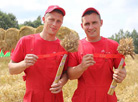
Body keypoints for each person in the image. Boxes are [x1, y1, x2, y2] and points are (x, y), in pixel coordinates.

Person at [8, 5, 68, 102]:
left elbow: (66, 73)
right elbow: (11, 69)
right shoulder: (25, 41)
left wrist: (61, 82)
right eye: (51, 19)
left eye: (58, 21)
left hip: (55, 97)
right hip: (32, 97)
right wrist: (24, 63)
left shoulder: (63, 47)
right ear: (44, 19)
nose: (54, 24)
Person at [67, 7, 126, 102]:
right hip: (83, 98)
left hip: (107, 97)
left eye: (94, 22)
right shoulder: (76, 46)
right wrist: (81, 66)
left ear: (101, 23)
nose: (90, 27)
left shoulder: (114, 45)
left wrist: (122, 74)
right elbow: (70, 75)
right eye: (87, 24)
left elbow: (121, 68)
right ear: (82, 26)